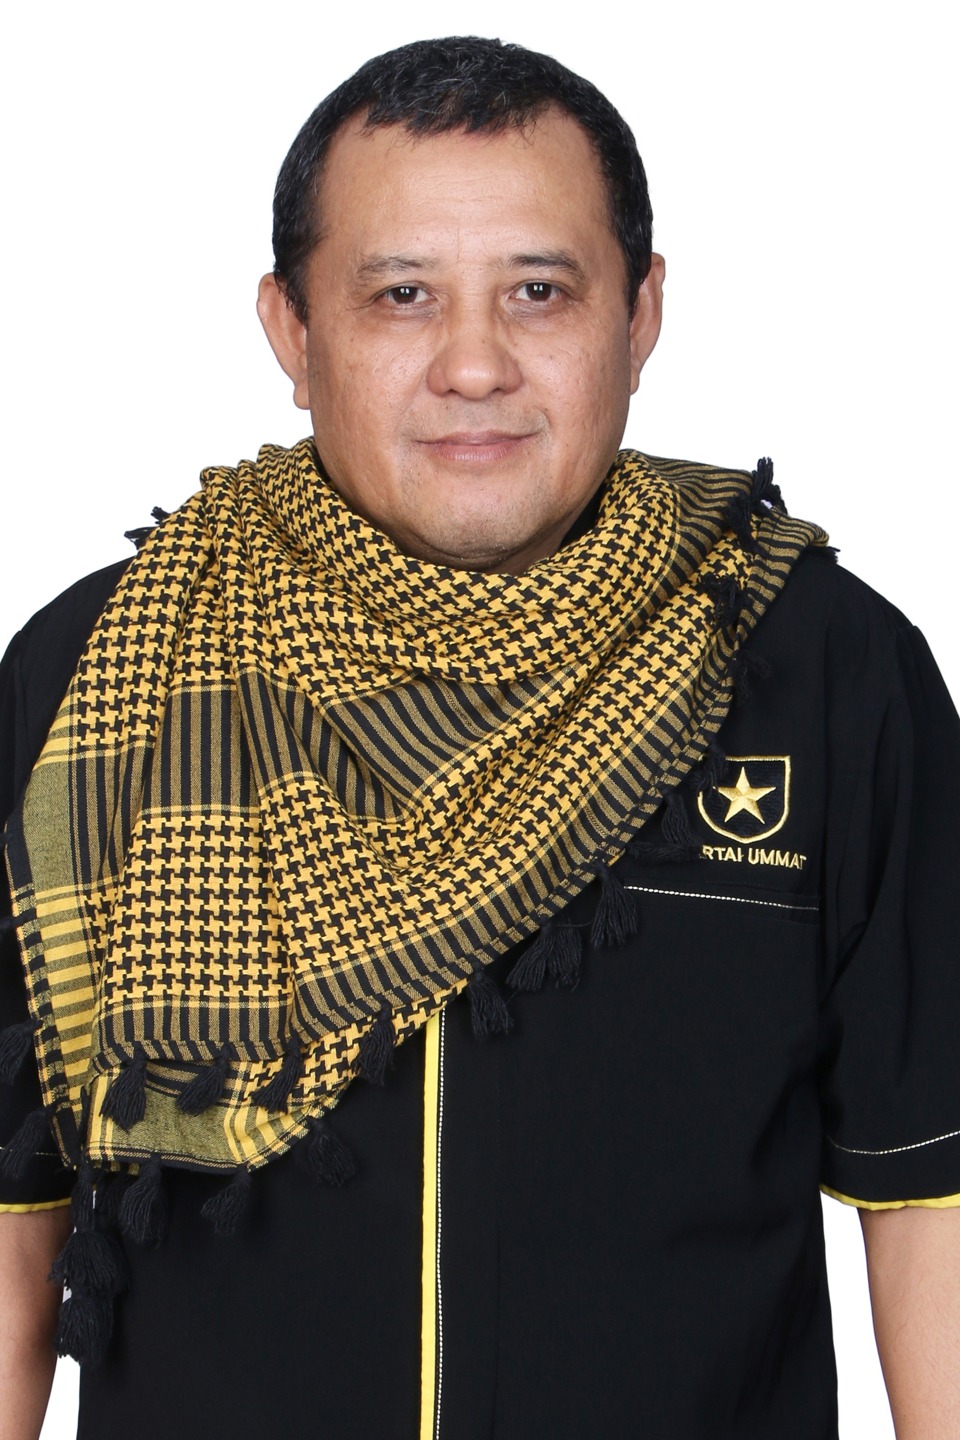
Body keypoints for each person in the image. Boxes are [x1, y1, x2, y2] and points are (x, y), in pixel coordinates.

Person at [1, 34, 958, 1440]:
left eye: (538, 291)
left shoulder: (822, 667)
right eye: (401, 295)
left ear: (640, 314)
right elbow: (14, 1212)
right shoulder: (104, 674)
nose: (473, 364)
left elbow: (930, 1195)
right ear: (292, 330)